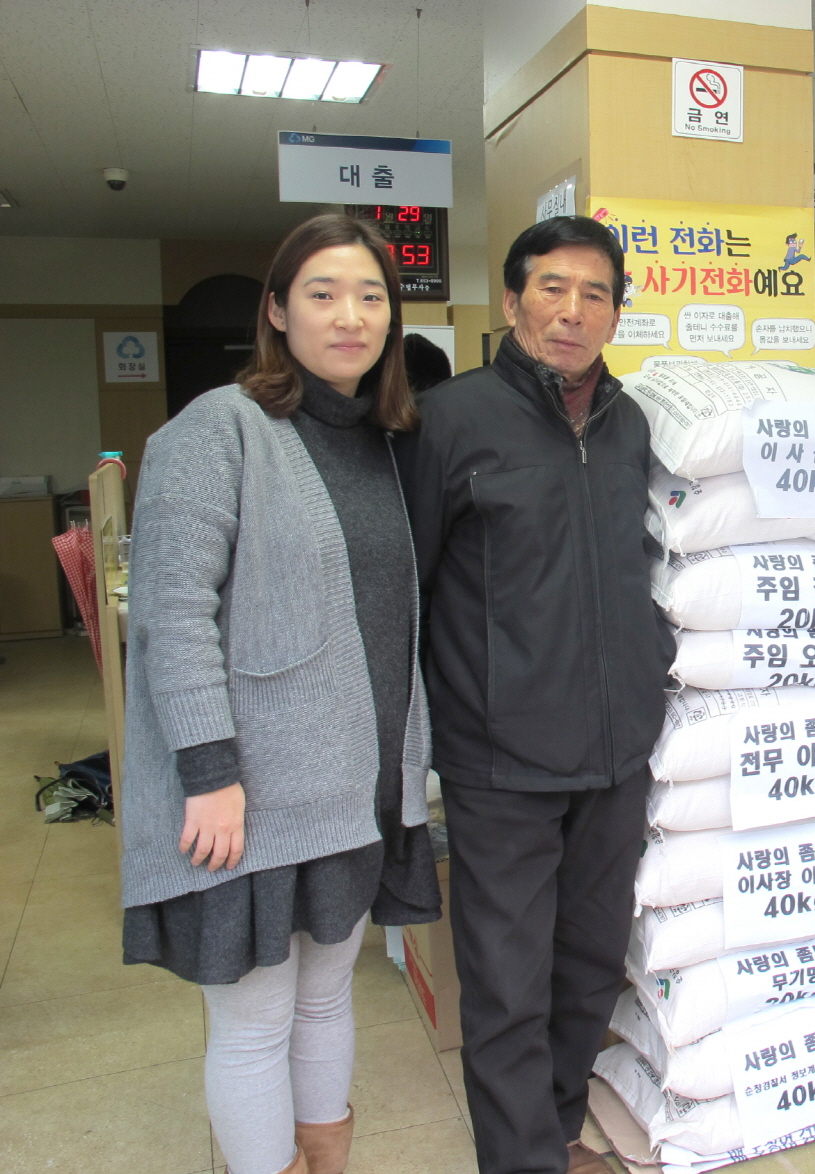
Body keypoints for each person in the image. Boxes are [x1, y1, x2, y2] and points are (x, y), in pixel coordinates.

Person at [119, 213, 440, 1174]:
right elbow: (172, 613)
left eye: (371, 296)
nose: (350, 316)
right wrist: (208, 772)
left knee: (327, 997)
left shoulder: (387, 442)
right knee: (255, 1021)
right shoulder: (219, 428)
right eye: (322, 293)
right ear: (276, 311)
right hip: (251, 792)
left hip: (354, 785)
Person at [397, 215, 675, 1174]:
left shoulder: (629, 423)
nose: (572, 311)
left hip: (615, 748)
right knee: (507, 981)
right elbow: (407, 587)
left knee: (590, 962)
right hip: (500, 756)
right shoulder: (450, 421)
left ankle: (554, 1129)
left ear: (616, 314)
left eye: (595, 294)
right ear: (513, 301)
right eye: (552, 288)